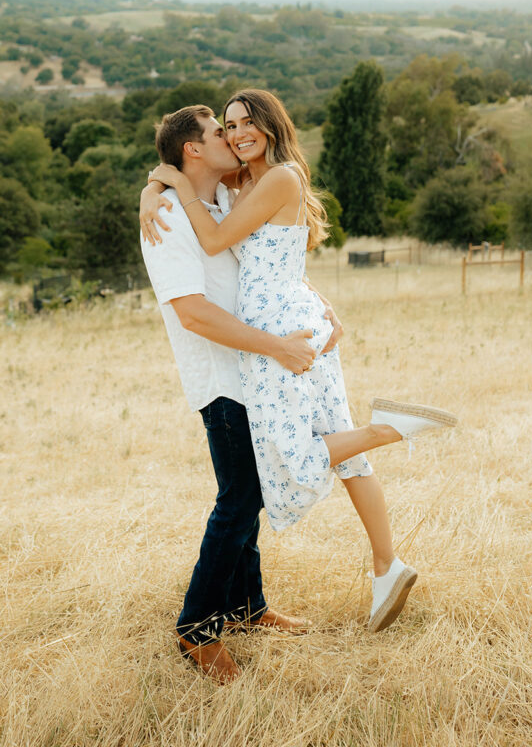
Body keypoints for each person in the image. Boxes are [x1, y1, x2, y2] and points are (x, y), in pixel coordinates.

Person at [143, 89, 457, 651]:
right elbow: (243, 253)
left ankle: (388, 428)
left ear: (268, 125)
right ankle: (379, 568)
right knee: (288, 471)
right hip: (272, 334)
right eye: (225, 127)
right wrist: (158, 184)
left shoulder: (264, 183)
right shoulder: (228, 191)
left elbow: (225, 243)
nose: (234, 135)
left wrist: (176, 183)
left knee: (271, 469)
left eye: (242, 124)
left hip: (277, 334)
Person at [140, 104, 339, 686]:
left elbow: (266, 261)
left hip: (255, 372)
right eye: (219, 132)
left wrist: (317, 304)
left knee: (249, 492)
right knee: (240, 495)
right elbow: (194, 314)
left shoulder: (222, 199)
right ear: (195, 150)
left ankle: (246, 607)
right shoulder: (169, 220)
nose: (232, 138)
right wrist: (277, 345)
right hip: (222, 377)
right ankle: (196, 628)